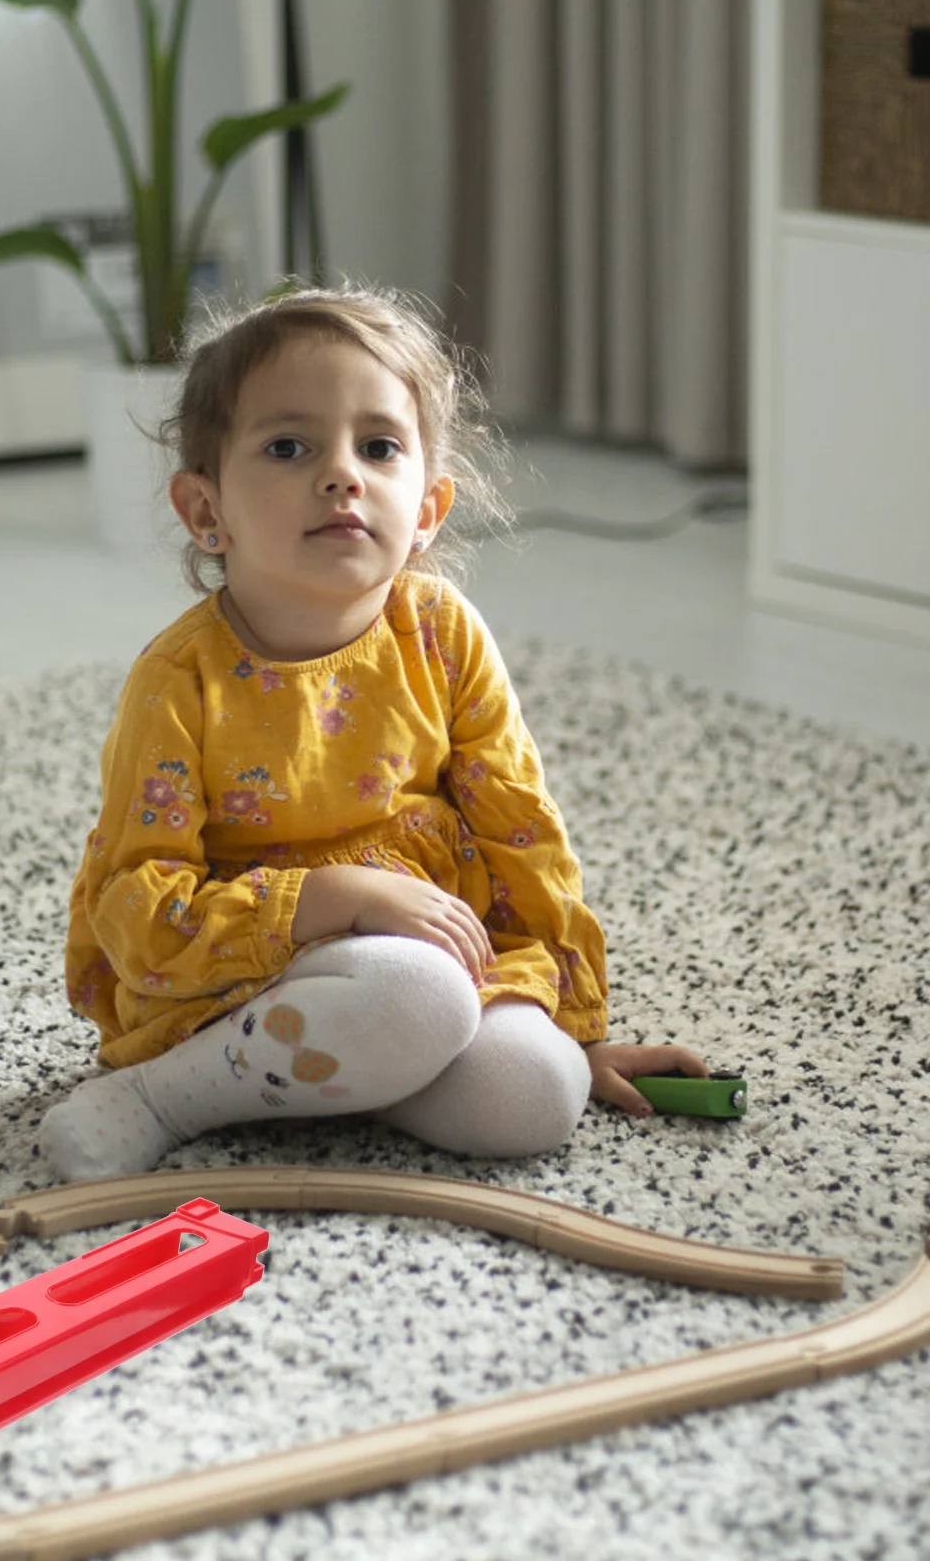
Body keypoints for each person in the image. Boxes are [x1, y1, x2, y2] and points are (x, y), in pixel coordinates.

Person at [40, 284, 709, 1182]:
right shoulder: (179, 680)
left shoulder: (441, 631)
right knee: (417, 995)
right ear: (207, 513)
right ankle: (165, 1095)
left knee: (536, 1095)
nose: (342, 473)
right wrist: (322, 900)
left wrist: (580, 1027)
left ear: (427, 509)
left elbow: (522, 833)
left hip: (424, 967)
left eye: (380, 447)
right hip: (237, 978)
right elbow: (137, 908)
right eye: (288, 446)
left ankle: (345, 1066)